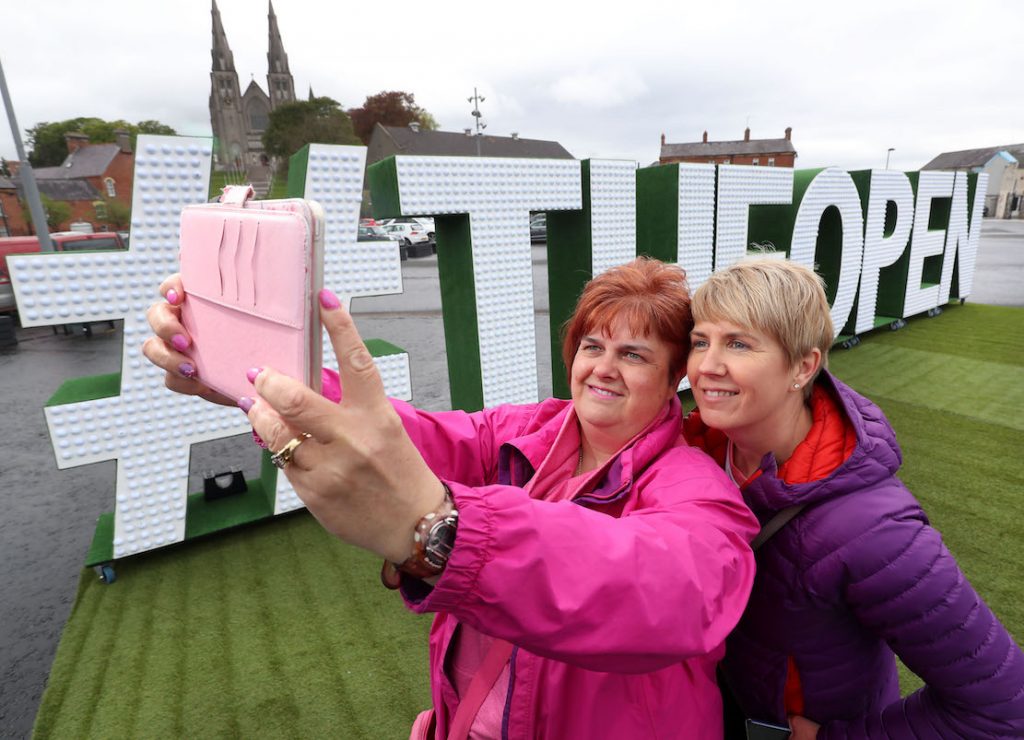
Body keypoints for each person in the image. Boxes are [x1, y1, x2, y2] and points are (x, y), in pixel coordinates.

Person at [144, 257, 758, 739]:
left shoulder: (696, 488)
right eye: (593, 346)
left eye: (634, 355)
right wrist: (252, 374)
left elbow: (669, 588)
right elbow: (416, 437)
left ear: (674, 376)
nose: (602, 368)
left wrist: (447, 531)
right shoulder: (526, 433)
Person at [682, 257, 1024, 739]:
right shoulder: (690, 454)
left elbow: (1001, 708)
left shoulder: (876, 529)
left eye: (738, 343)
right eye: (701, 341)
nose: (707, 365)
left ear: (803, 366)